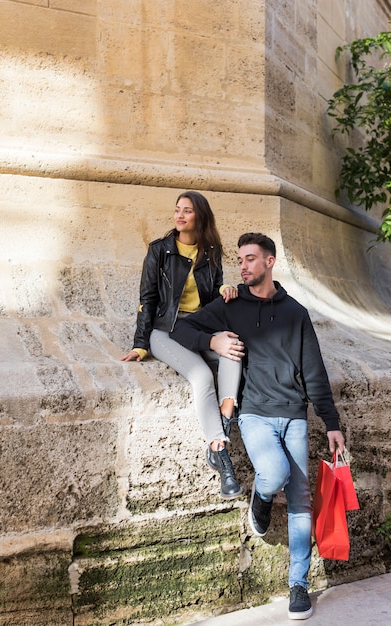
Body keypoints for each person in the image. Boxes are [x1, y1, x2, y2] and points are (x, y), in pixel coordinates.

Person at [170, 232, 345, 621]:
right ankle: (261, 498)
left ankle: (298, 585)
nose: (243, 266)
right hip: (254, 414)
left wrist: (331, 423)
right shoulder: (231, 305)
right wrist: (212, 341)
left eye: (250, 259)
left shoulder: (296, 312)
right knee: (276, 472)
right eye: (240, 259)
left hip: (294, 414)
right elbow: (181, 329)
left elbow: (314, 371)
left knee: (300, 498)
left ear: (270, 262)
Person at [121, 191, 243, 500]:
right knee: (202, 376)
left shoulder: (210, 252)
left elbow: (212, 293)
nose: (179, 215)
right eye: (177, 210)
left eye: (187, 211)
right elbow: (147, 300)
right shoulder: (159, 250)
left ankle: (224, 420)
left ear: (199, 217)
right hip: (165, 331)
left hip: (200, 326)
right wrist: (141, 345)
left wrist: (225, 289)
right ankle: (220, 451)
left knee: (233, 348)